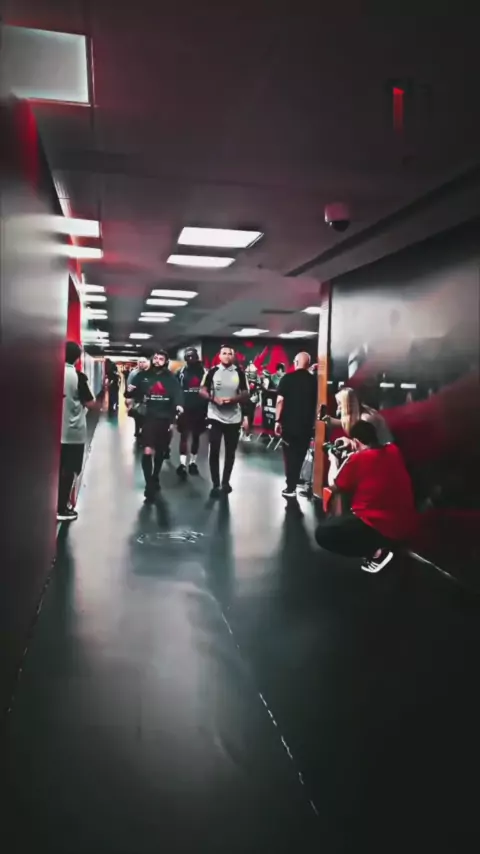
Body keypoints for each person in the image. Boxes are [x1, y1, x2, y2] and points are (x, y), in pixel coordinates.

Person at [315, 420, 417, 573]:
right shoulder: (393, 450)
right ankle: (385, 545)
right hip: (404, 524)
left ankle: (377, 552)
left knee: (323, 533)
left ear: (356, 441)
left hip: (378, 526)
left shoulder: (358, 459)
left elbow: (334, 485)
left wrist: (333, 459)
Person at [126, 349, 184, 501]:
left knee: (160, 451)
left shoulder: (170, 378)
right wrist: (129, 392)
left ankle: (155, 475)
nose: (157, 361)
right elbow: (130, 393)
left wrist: (179, 405)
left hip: (165, 418)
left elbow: (177, 394)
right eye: (156, 358)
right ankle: (149, 484)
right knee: (147, 450)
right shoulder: (142, 376)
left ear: (166, 362)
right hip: (148, 417)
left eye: (161, 359)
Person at [200, 345, 249, 498]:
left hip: (233, 418)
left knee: (230, 452)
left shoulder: (239, 373)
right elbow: (202, 390)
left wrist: (233, 400)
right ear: (219, 356)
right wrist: (213, 398)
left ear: (233, 356)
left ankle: (225, 482)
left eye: (230, 353)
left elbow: (246, 393)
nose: (227, 356)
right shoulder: (212, 372)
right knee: (214, 449)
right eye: (224, 353)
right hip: (215, 416)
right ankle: (216, 483)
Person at [57, 341, 98, 522]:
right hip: (72, 432)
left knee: (56, 469)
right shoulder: (78, 377)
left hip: (53, 433)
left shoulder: (53, 373)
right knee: (70, 469)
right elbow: (90, 403)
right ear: (77, 358)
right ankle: (61, 508)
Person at [274, 352, 317, 499]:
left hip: (289, 424)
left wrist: (277, 420)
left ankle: (290, 486)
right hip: (307, 425)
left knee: (289, 455)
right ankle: (295, 480)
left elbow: (280, 401)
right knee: (300, 454)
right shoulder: (314, 381)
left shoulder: (287, 378)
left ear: (296, 362)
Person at [175, 347, 207, 477]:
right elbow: (175, 389)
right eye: (187, 356)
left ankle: (193, 463)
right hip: (185, 408)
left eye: (192, 356)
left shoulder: (204, 372)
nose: (190, 358)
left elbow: (209, 389)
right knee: (184, 436)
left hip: (200, 409)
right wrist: (176, 405)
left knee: (196, 436)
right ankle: (182, 464)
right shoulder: (180, 372)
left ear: (196, 357)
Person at [125, 355, 151, 440]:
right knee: (137, 416)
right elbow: (129, 386)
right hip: (136, 399)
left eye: (144, 362)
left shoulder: (150, 374)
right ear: (138, 363)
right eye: (140, 362)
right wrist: (129, 400)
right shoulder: (134, 373)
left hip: (146, 400)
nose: (142, 364)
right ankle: (138, 431)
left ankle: (142, 431)